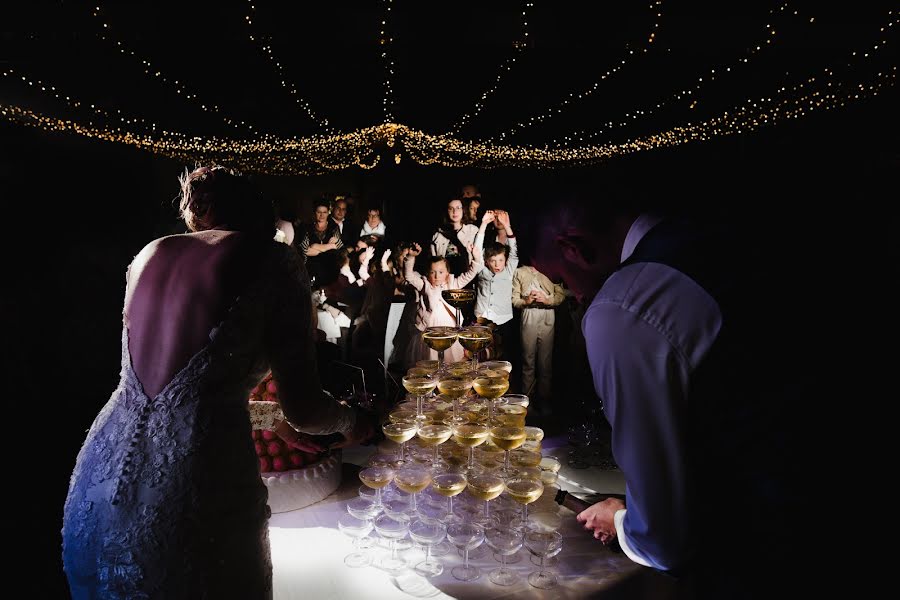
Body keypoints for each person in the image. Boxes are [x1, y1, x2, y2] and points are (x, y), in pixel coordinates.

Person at [61, 165, 372, 599]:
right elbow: (306, 409)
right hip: (194, 481)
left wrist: (269, 419)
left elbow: (171, 391)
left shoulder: (150, 253)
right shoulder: (274, 262)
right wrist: (351, 422)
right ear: (261, 216)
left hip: (102, 473)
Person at [536, 188, 821, 598]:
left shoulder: (623, 305)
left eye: (562, 280)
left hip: (754, 552)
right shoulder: (726, 235)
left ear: (574, 247)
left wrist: (622, 524)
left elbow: (662, 542)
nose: (574, 295)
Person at [511, 261, 566, 414]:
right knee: (528, 360)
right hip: (529, 315)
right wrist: (526, 301)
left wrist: (547, 300)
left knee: (545, 362)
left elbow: (560, 294)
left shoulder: (551, 269)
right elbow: (514, 299)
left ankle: (544, 399)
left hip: (547, 315)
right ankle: (527, 400)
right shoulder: (520, 272)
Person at [472, 209, 518, 359]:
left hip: (503, 321)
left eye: (500, 261)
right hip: (482, 318)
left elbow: (513, 251)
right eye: (493, 261)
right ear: (486, 261)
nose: (497, 264)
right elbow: (477, 250)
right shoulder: (482, 270)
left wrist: (507, 226)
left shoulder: (509, 270)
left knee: (503, 358)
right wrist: (484, 223)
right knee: (481, 356)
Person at [430, 198, 479, 277]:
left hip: (467, 278)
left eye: (458, 208)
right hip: (445, 280)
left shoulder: (472, 230)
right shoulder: (438, 235)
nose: (455, 212)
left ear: (463, 210)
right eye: (451, 208)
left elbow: (478, 258)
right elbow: (433, 262)